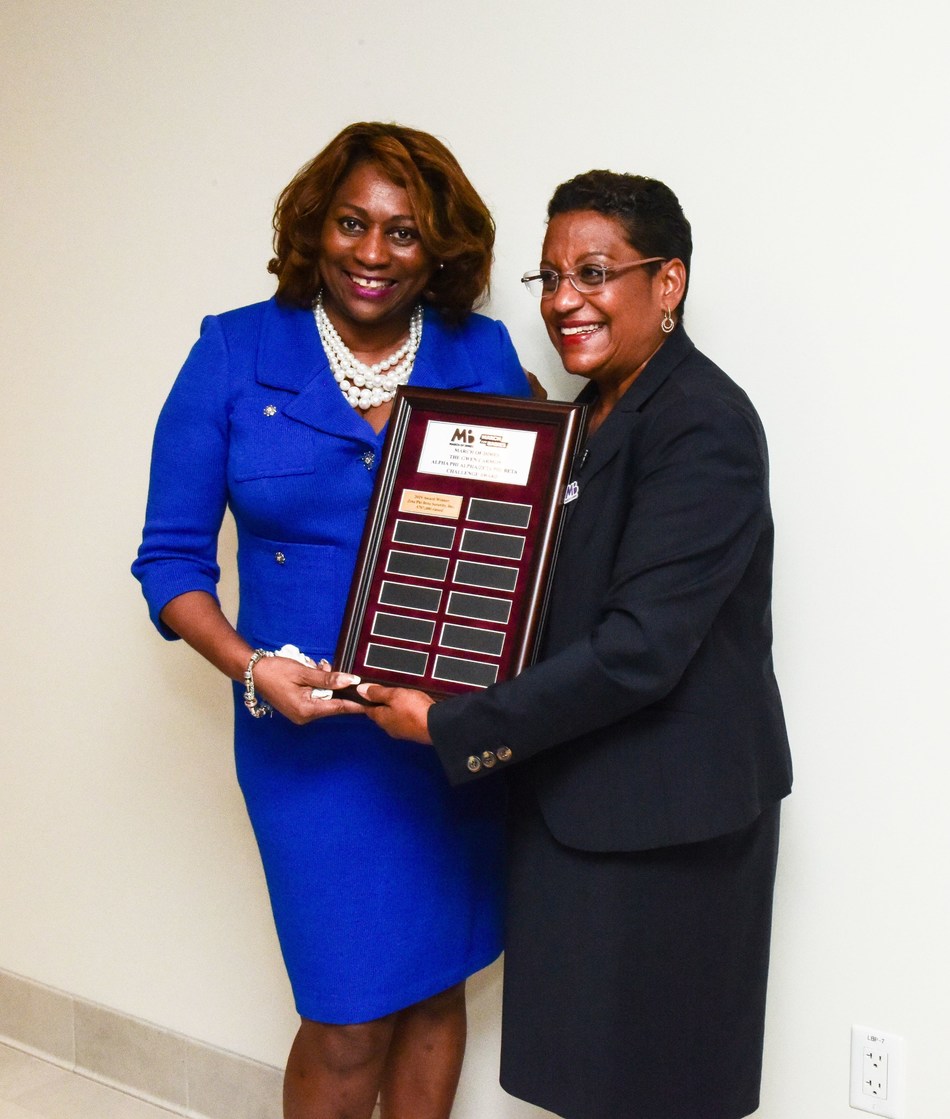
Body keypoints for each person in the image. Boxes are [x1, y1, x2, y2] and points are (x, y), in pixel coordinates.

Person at [359, 170, 793, 1119]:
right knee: (583, 1083)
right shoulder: (581, 417)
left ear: (667, 283)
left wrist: (455, 722)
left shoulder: (703, 424)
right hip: (575, 803)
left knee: (659, 1089)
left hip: (666, 826)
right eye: (548, 277)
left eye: (592, 273)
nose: (563, 301)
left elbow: (640, 650)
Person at [132, 121, 531, 1119]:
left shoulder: (480, 353)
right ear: (315, 228)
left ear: (438, 248)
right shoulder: (231, 351)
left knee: (435, 985)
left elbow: (522, 532)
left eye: (402, 233)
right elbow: (170, 563)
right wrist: (246, 665)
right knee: (348, 1012)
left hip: (446, 734)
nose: (371, 252)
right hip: (309, 747)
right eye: (352, 223)